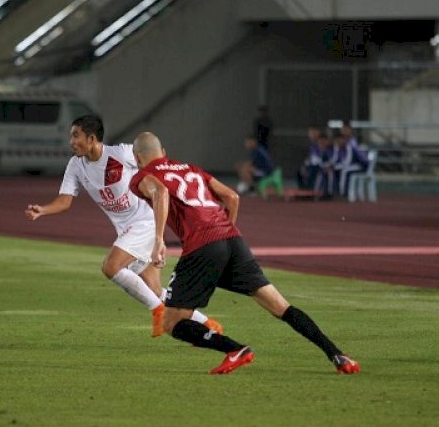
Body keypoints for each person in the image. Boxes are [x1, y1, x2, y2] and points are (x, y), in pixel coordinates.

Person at [129, 131, 360, 375]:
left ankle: (235, 349)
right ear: (164, 152)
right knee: (280, 306)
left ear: (137, 157)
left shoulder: (142, 176)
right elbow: (232, 197)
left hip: (202, 246)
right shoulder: (192, 169)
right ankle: (337, 354)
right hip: (233, 241)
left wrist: (158, 241)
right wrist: (225, 234)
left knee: (172, 321)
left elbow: (161, 192)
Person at [24, 115, 221, 337]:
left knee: (111, 267)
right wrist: (42, 210)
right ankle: (209, 324)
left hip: (145, 222)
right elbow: (65, 201)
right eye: (71, 136)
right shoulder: (76, 165)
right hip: (126, 230)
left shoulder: (122, 154)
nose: (71, 141)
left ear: (91, 138)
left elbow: (155, 164)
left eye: (75, 136)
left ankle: (157, 311)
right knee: (154, 289)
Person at [330, 130, 369, 198]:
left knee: (345, 171)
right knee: (334, 171)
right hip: (351, 166)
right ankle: (333, 191)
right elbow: (334, 159)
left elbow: (348, 162)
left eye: (339, 140)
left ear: (344, 140)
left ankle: (343, 193)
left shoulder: (350, 146)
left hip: (361, 166)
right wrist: (331, 166)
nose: (338, 143)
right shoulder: (338, 148)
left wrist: (336, 166)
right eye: (336, 141)